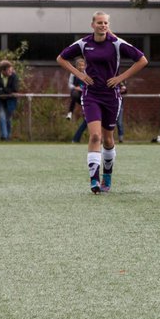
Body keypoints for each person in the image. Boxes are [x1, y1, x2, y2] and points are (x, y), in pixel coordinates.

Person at [56, 12, 148, 194]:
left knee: (107, 139)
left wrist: (120, 78)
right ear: (92, 25)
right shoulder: (84, 43)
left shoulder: (116, 43)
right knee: (95, 136)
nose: (102, 25)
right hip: (91, 95)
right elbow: (61, 58)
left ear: (108, 25)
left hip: (112, 97)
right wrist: (80, 75)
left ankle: (107, 175)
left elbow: (142, 60)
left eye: (105, 23)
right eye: (99, 23)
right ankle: (94, 179)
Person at [0, 60, 19, 141]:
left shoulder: (14, 76)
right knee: (2, 116)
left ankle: (8, 136)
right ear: (3, 70)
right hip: (0, 99)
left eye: (11, 69)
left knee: (8, 118)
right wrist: (5, 92)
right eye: (9, 70)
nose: (11, 71)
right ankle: (4, 136)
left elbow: (15, 89)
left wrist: (2, 90)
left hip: (10, 100)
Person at [69, 57, 88, 142]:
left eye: (83, 65)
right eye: (79, 65)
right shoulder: (74, 74)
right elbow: (71, 85)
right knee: (87, 120)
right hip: (85, 100)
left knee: (87, 121)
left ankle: (76, 139)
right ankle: (75, 139)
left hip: (87, 98)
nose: (81, 67)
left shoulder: (87, 74)